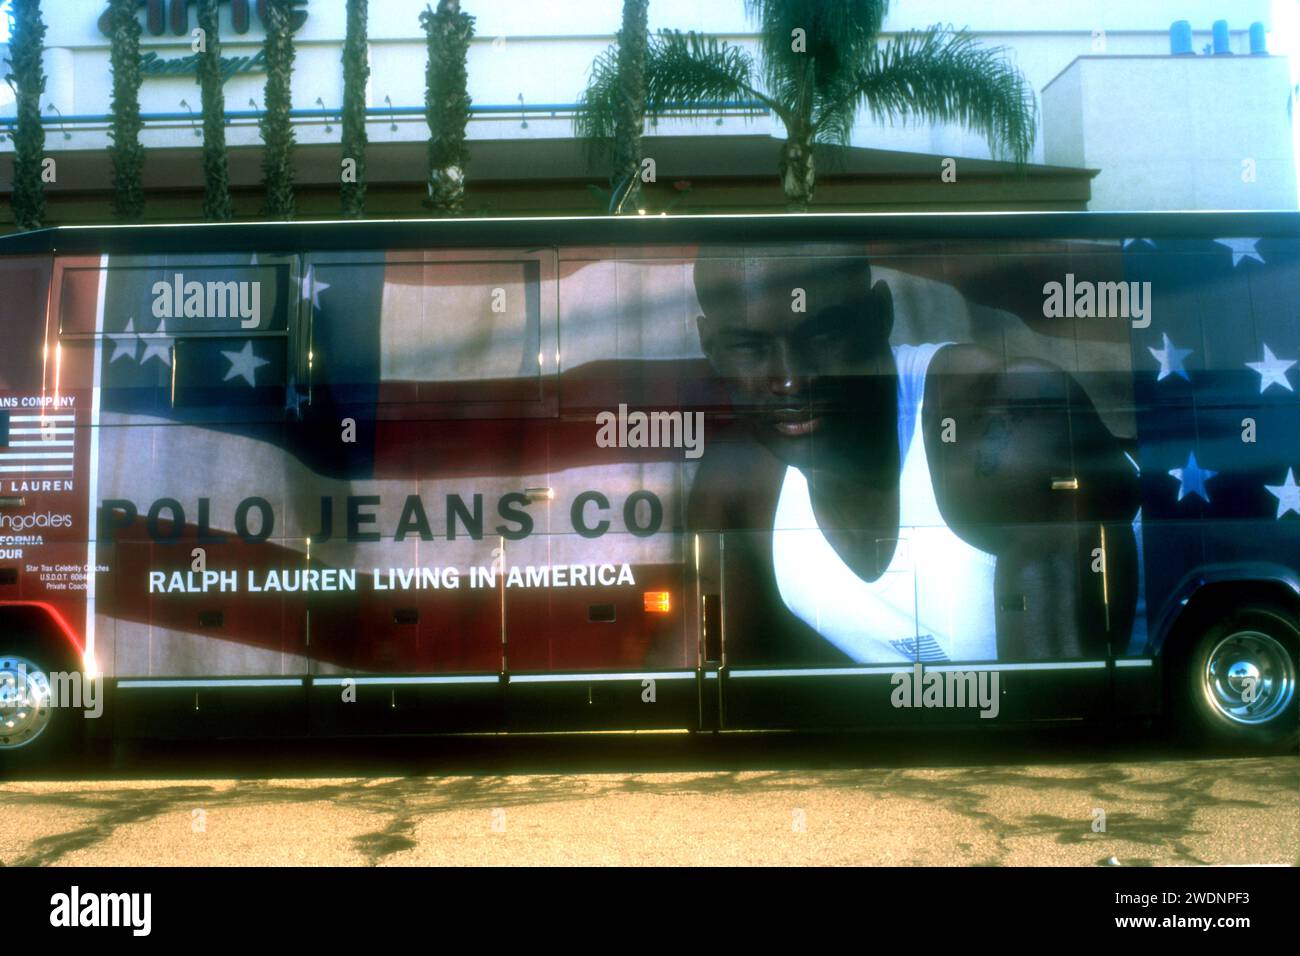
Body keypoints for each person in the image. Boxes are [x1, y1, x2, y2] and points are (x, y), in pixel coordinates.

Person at [687, 250, 1139, 666]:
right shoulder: (739, 479)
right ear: (709, 344)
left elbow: (1068, 716)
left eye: (824, 334)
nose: (791, 380)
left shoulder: (1012, 418)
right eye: (750, 347)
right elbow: (692, 692)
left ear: (881, 314)